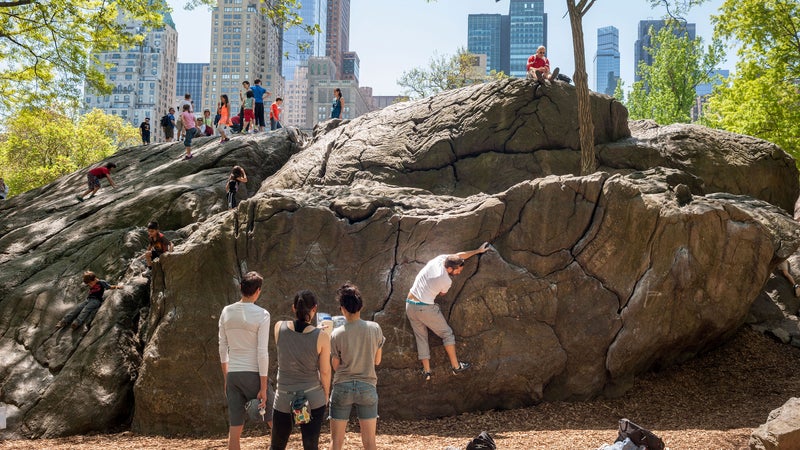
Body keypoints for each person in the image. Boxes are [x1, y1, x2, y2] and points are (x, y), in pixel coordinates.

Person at [406, 243, 490, 380]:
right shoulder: (445, 280)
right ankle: (456, 367)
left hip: (409, 305)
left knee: (421, 337)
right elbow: (442, 294)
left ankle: (427, 372)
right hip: (424, 308)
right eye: (457, 271)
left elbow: (460, 255)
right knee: (447, 334)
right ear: (450, 268)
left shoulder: (440, 259)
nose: (459, 273)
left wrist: (477, 251)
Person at [270, 290, 331, 450]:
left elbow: (296, 341)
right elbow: (325, 372)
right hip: (312, 398)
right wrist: (326, 394)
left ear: (293, 308)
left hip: (283, 398)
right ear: (314, 309)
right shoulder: (322, 336)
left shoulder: (278, 327)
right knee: (311, 446)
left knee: (277, 445)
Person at [219, 271, 272, 450]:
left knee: (235, 429)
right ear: (258, 291)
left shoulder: (226, 311)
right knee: (275, 422)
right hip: (253, 375)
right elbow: (262, 352)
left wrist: (227, 378)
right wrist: (263, 388)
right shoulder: (262, 314)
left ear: (241, 288)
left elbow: (222, 347)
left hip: (233, 375)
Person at [329, 283, 385, 450]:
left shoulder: (336, 333)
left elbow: (335, 366)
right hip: (367, 386)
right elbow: (377, 361)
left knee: (336, 442)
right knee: (369, 442)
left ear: (342, 309)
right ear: (361, 305)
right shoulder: (374, 328)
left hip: (342, 387)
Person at [56, 271, 122, 331]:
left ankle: (77, 322)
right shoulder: (91, 282)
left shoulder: (101, 282)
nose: (90, 285)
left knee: (86, 309)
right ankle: (64, 321)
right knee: (77, 308)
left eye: (90, 283)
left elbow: (109, 287)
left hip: (96, 301)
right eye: (88, 284)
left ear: (95, 279)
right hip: (88, 299)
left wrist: (117, 287)